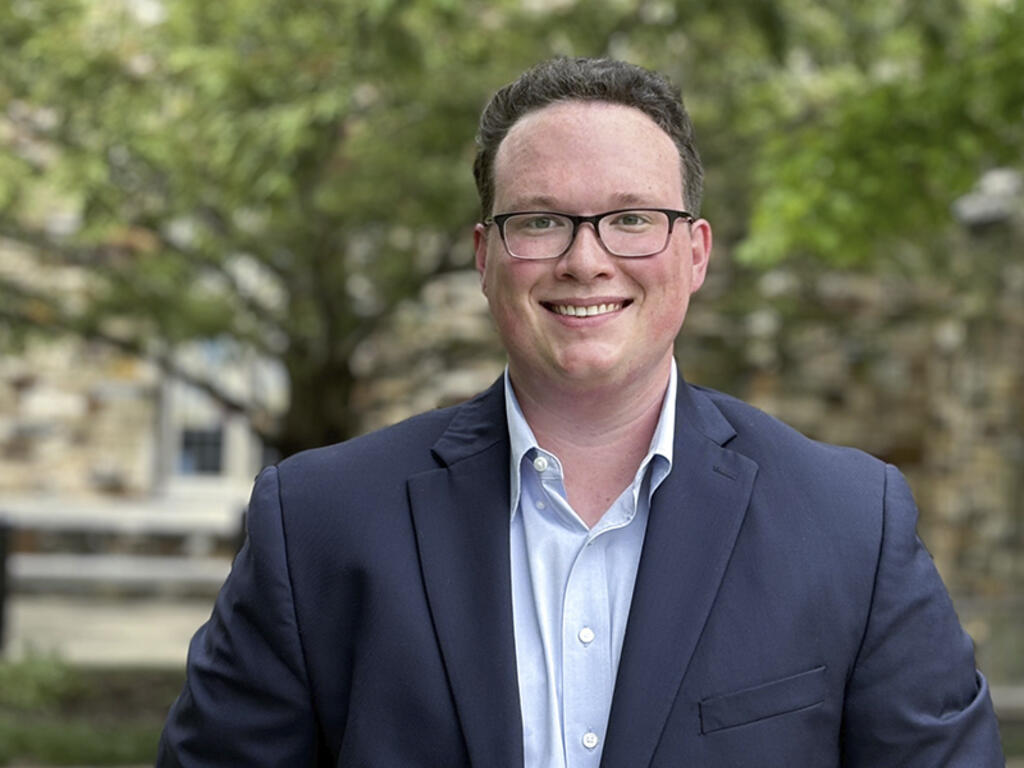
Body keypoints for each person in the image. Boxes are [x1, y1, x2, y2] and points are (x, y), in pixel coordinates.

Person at [158, 57, 1004, 767]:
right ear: (486, 257)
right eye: (542, 220)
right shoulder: (315, 522)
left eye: (631, 218)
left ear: (695, 253)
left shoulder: (852, 524)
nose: (585, 260)